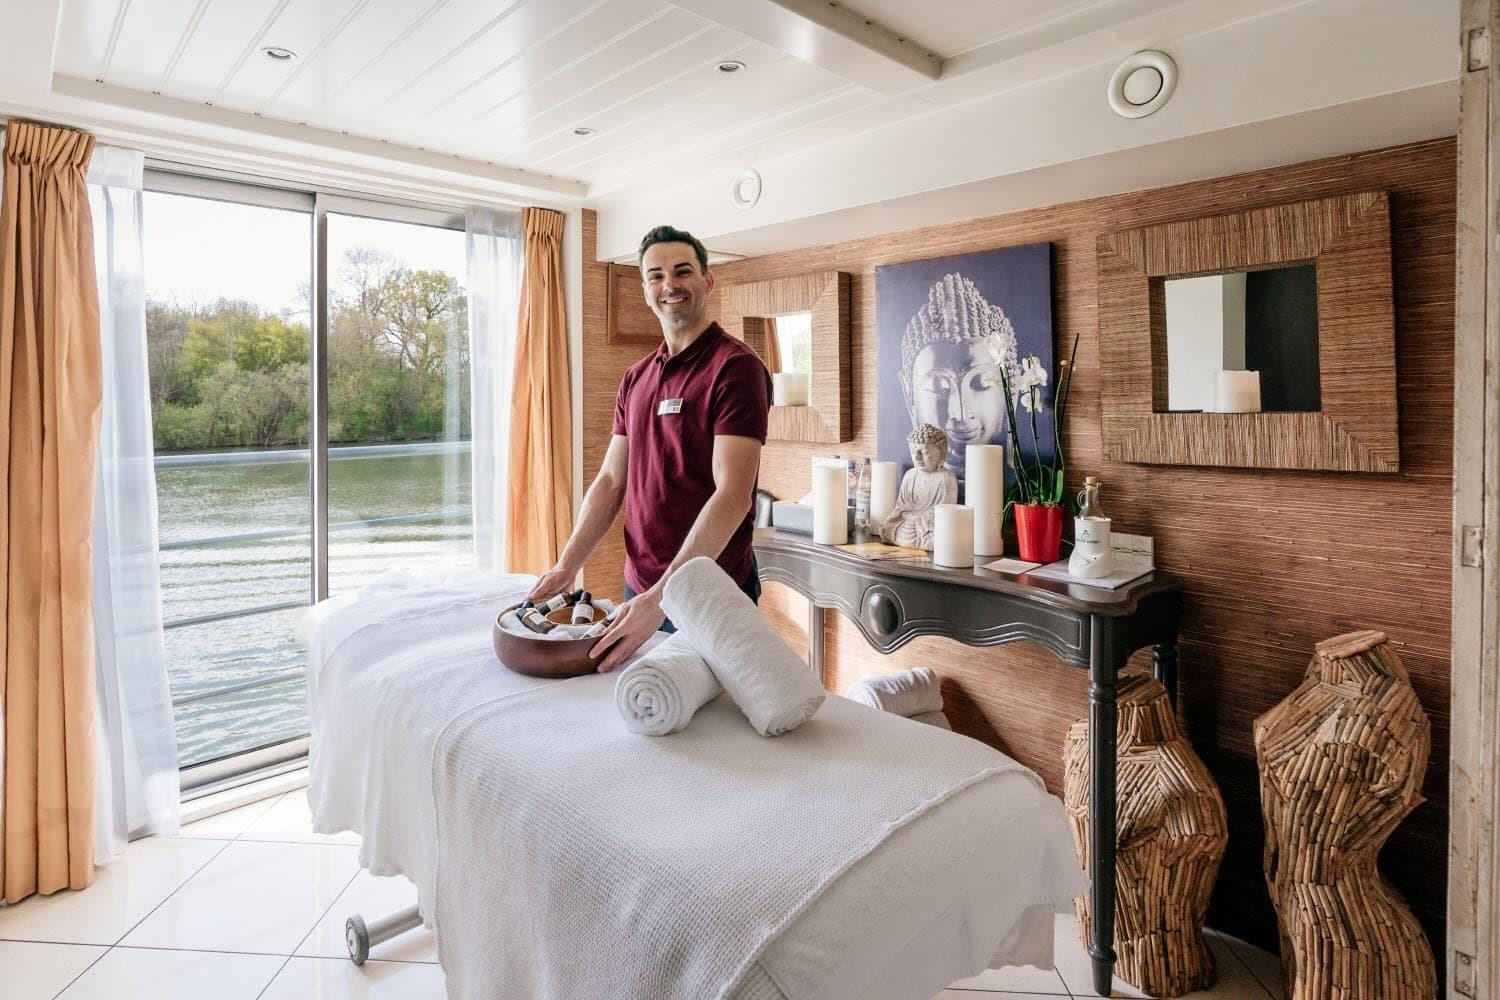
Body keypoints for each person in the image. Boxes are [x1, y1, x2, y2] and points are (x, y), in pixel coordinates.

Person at [527, 225, 770, 672]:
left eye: (683, 271)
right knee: (648, 707)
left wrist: (663, 598)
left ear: (707, 280)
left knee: (717, 716)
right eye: (656, 276)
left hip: (710, 590)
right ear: (644, 290)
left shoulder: (736, 368)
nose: (669, 284)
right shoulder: (636, 377)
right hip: (640, 587)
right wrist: (566, 566)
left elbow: (733, 494)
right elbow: (610, 481)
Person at [898, 272, 1019, 480]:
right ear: (910, 399)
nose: (961, 414)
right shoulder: (911, 482)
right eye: (938, 387)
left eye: (982, 383)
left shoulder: (1025, 489)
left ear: (1013, 392)